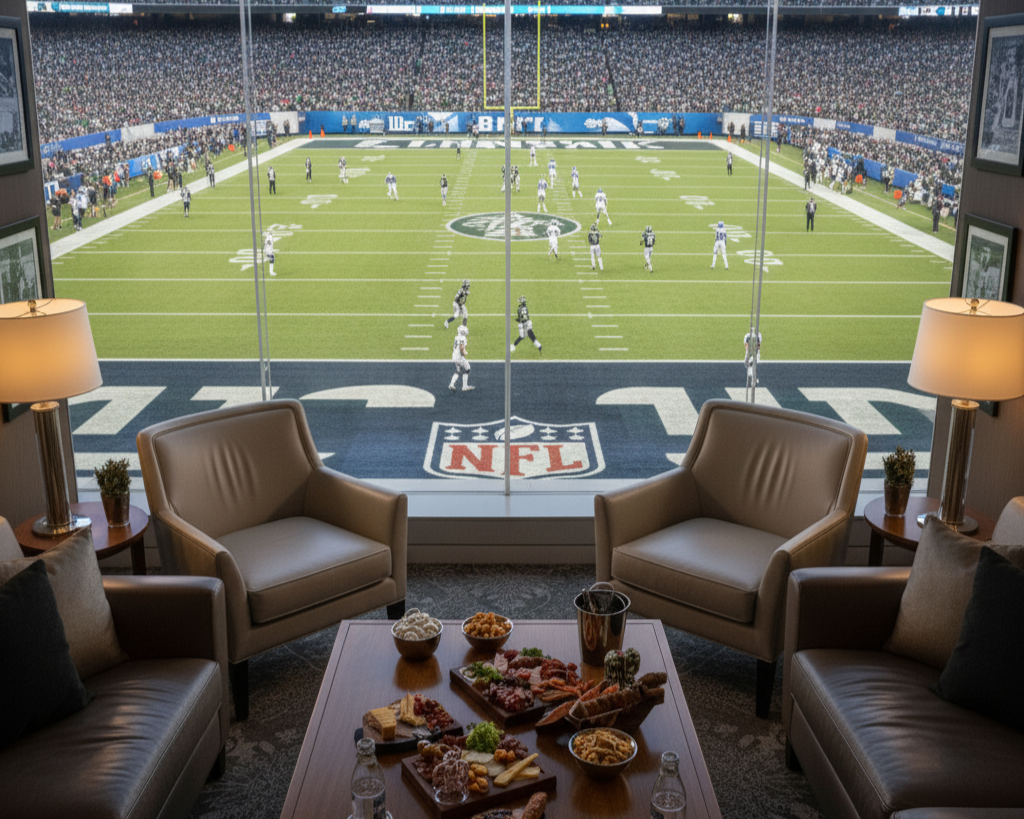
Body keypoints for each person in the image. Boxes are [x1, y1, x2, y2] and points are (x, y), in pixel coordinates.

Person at [449, 325, 473, 393]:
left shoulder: (456, 337)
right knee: (467, 369)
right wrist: (464, 352)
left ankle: (451, 384)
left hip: (454, 356)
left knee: (459, 371)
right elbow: (461, 346)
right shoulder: (463, 338)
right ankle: (464, 386)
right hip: (459, 357)